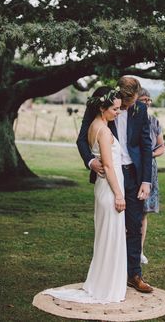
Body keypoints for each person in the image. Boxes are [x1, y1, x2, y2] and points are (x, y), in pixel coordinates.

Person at [42, 86, 127, 304]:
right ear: (102, 107)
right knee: (110, 237)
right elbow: (108, 166)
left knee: (105, 237)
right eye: (116, 109)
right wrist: (119, 195)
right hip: (110, 188)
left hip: (104, 187)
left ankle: (102, 281)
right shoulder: (105, 130)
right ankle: (107, 287)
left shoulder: (96, 126)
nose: (119, 112)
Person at [77, 76, 153, 293]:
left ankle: (134, 275)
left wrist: (146, 180)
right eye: (127, 102)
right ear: (119, 95)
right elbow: (82, 139)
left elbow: (146, 146)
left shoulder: (139, 108)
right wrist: (91, 162)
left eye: (132, 103)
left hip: (134, 174)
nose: (129, 107)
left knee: (134, 225)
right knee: (110, 227)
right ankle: (109, 276)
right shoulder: (102, 103)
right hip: (110, 175)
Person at [138, 88, 165, 265]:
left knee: (144, 213)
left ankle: (139, 250)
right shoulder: (130, 120)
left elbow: (162, 146)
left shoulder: (154, 121)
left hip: (150, 170)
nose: (147, 102)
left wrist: (151, 155)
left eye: (149, 99)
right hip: (134, 168)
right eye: (144, 99)